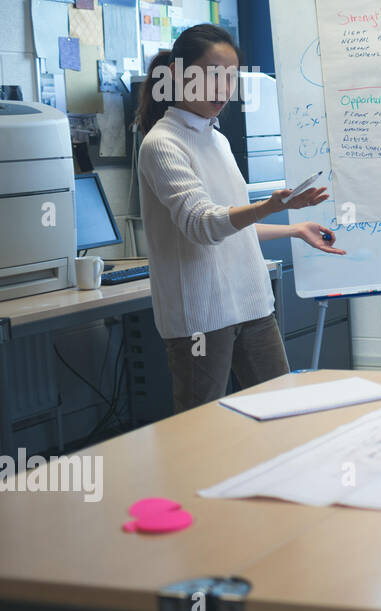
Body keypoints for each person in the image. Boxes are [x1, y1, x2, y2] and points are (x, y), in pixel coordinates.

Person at [134, 24, 345, 412]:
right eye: (213, 75)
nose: (222, 88)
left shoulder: (218, 139)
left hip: (251, 304)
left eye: (230, 78)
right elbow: (202, 225)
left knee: (283, 414)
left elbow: (232, 225)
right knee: (201, 434)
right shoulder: (162, 144)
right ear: (179, 75)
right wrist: (270, 205)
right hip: (201, 317)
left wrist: (294, 228)